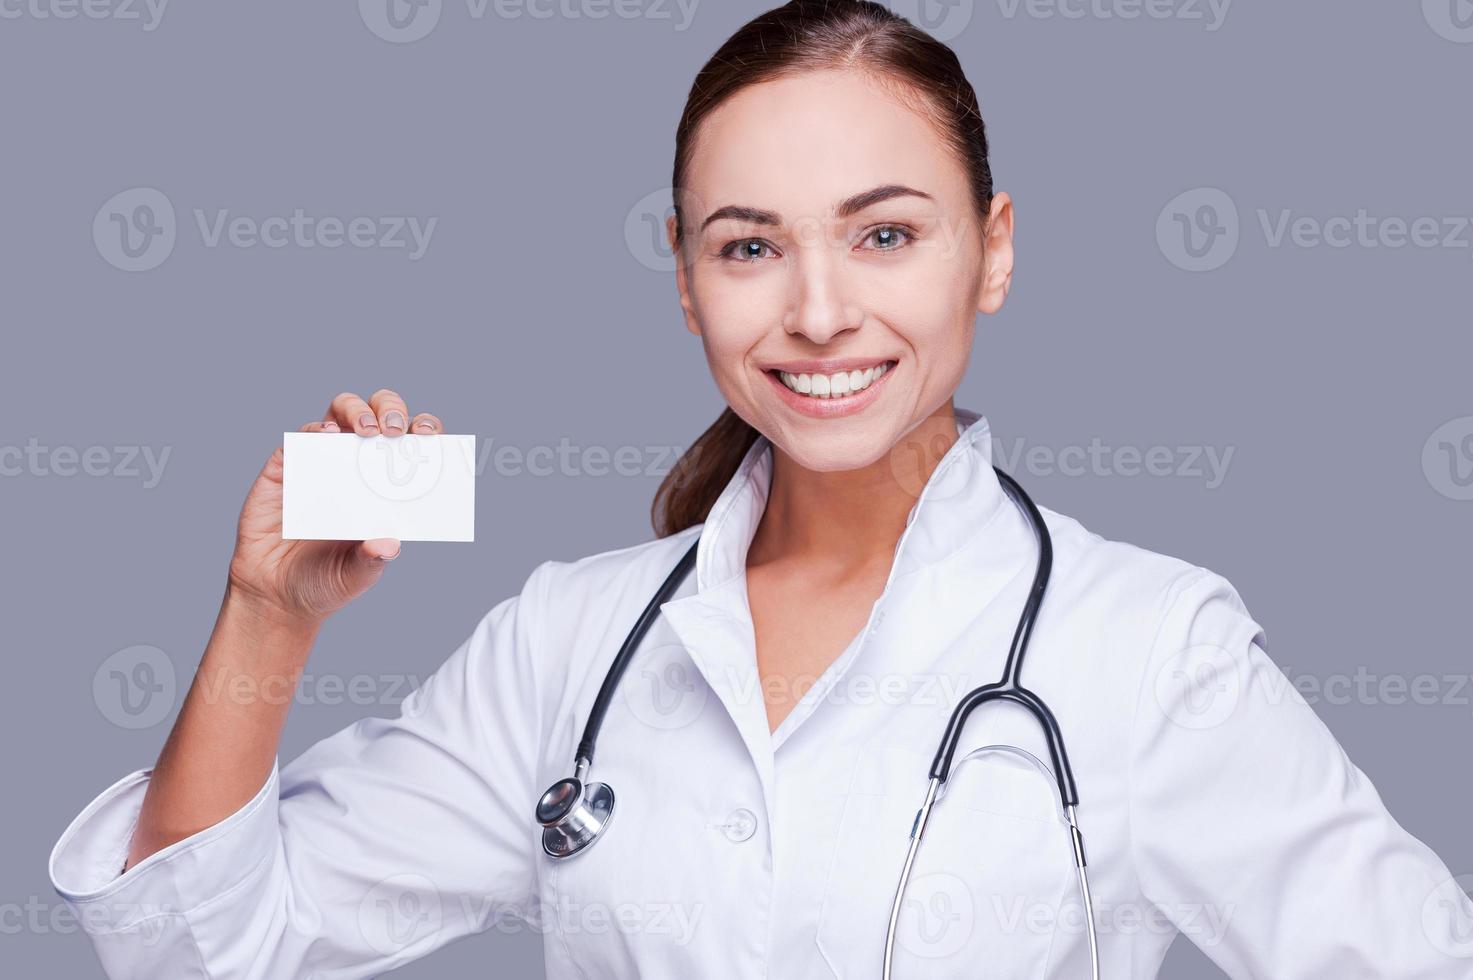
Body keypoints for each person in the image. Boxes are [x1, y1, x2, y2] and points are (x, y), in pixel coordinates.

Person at [48, 2, 1473, 978]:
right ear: (683, 279)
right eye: (748, 248)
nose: (816, 311)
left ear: (991, 250)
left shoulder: (1149, 649)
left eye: (884, 235)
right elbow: (201, 950)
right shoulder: (570, 643)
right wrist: (267, 621)